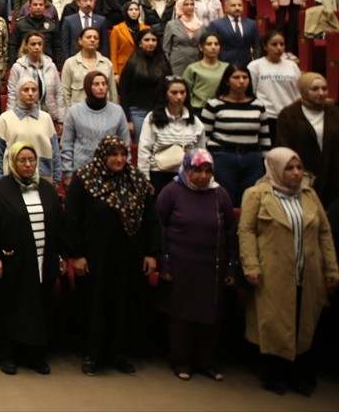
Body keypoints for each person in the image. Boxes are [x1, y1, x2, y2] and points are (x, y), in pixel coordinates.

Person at [238, 148, 339, 396]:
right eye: (290, 168)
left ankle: (298, 375)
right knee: (275, 324)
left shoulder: (310, 195)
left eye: (299, 167)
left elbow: (324, 233)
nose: (296, 173)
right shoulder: (256, 195)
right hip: (273, 272)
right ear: (275, 168)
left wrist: (331, 268)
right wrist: (251, 265)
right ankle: (273, 375)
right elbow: (246, 232)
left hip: (308, 271)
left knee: (302, 323)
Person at [63, 136, 159, 376]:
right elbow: (71, 220)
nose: (119, 160)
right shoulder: (84, 178)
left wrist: (151, 253)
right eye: (113, 155)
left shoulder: (137, 180)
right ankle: (92, 354)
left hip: (129, 257)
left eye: (123, 154)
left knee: (124, 303)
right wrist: (77, 255)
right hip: (96, 257)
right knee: (95, 305)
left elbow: (150, 220)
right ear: (102, 155)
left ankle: (119, 353)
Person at [0, 142, 63, 376]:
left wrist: (60, 255)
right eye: (22, 160)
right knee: (11, 306)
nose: (27, 165)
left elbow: (58, 225)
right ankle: (6, 354)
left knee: (39, 307)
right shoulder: (0, 191)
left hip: (41, 261)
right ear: (13, 162)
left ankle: (36, 354)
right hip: (12, 263)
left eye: (31, 160)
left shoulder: (47, 190)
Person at [155, 149, 237, 382]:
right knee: (181, 316)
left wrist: (231, 266)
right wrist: (165, 263)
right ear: (186, 169)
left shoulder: (220, 195)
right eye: (197, 170)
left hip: (212, 268)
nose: (202, 176)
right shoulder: (171, 192)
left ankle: (207, 362)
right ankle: (181, 360)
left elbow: (231, 232)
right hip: (181, 267)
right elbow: (159, 229)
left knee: (211, 315)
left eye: (207, 170)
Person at [201, 64, 272, 205]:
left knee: (251, 202)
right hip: (223, 158)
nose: (241, 81)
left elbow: (264, 138)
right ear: (227, 81)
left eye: (245, 77)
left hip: (252, 159)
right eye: (236, 77)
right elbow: (204, 137)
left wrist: (267, 165)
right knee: (225, 200)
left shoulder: (258, 104)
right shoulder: (214, 104)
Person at [274, 73, 338, 206]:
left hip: (333, 176)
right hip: (301, 175)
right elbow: (282, 147)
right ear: (303, 89)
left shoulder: (335, 113)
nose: (321, 93)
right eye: (315, 89)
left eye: (324, 89)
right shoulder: (289, 114)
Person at [138, 77, 205, 193]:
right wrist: (145, 179)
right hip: (158, 174)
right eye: (174, 93)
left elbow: (201, 152)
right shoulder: (152, 118)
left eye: (182, 92)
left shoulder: (195, 121)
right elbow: (144, 150)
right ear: (165, 94)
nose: (179, 97)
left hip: (185, 175)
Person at [0, 76, 60, 183]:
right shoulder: (5, 118)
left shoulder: (46, 118)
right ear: (18, 92)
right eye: (26, 90)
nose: (30, 93)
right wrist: (0, 182)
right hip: (13, 180)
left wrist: (56, 179)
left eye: (34, 90)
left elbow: (55, 151)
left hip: (43, 178)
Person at [248, 30, 301, 145]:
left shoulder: (292, 66)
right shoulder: (255, 66)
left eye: (282, 44)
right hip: (267, 116)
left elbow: (298, 93)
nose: (279, 48)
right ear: (265, 46)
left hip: (289, 117)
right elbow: (250, 93)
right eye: (274, 44)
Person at [183, 33, 227, 113]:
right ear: (201, 47)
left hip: (222, 108)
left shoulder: (227, 67)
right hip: (199, 108)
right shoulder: (192, 68)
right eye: (209, 44)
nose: (213, 47)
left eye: (216, 44)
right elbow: (186, 92)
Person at [164, 0, 205, 79]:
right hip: (177, 62)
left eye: (192, 4)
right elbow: (166, 49)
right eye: (186, 4)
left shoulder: (200, 25)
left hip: (196, 61)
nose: (190, 7)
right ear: (180, 6)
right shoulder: (171, 25)